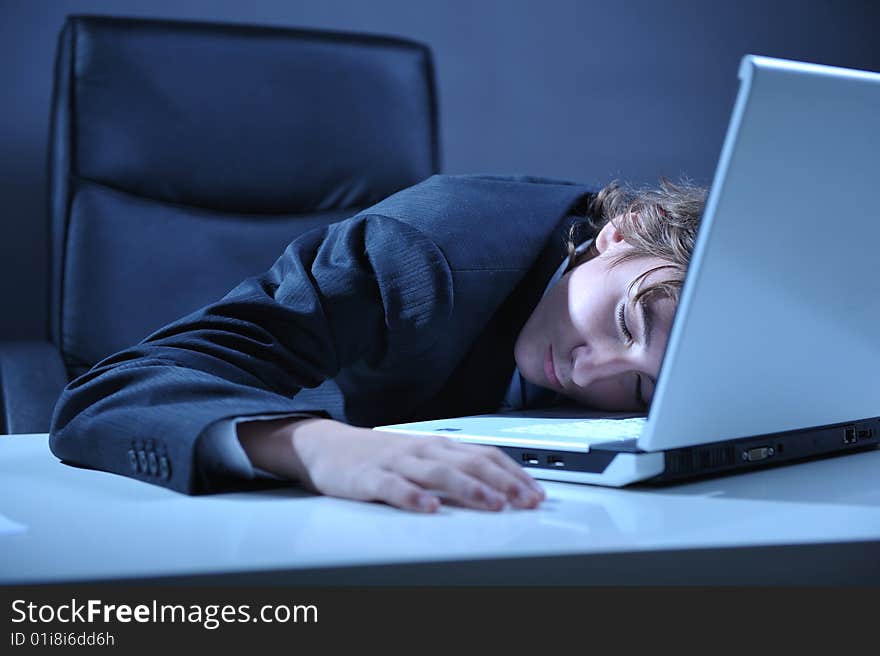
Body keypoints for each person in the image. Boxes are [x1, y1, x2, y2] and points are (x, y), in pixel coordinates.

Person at [49, 174, 706, 513]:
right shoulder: (421, 255)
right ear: (625, 231)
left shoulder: (647, 300)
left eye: (642, 385)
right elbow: (112, 388)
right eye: (626, 322)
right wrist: (308, 445)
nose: (594, 374)